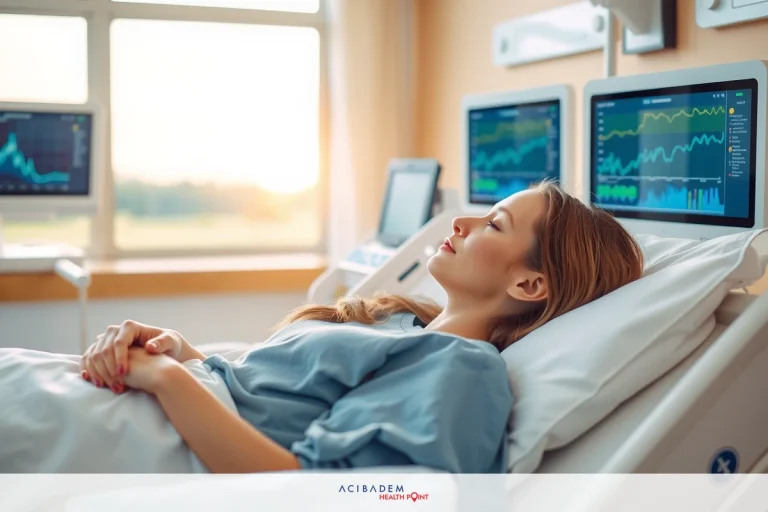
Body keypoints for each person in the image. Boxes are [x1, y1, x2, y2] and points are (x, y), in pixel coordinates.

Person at [11, 181, 645, 474]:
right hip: (120, 400)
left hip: (136, 439)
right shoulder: (402, 325)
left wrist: (170, 380)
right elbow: (278, 403)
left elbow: (315, 493)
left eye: (495, 225)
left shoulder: (461, 371)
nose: (461, 223)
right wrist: (178, 350)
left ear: (529, 285)